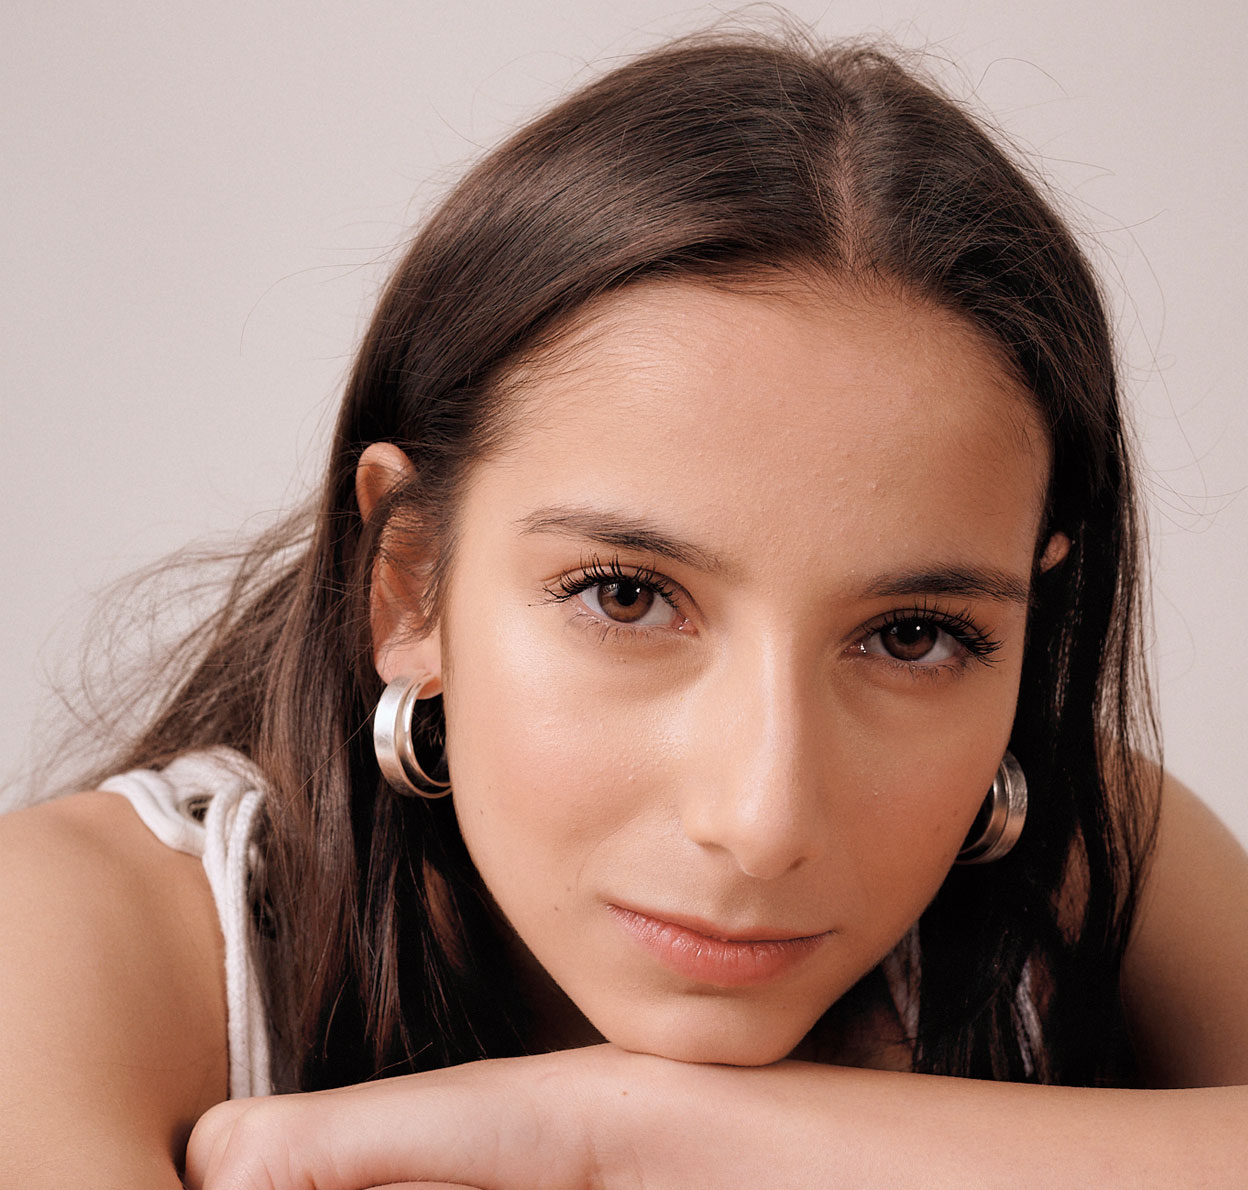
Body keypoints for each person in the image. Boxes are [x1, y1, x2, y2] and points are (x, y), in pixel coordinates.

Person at [3, 29, 1246, 1188]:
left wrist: (632, 1131)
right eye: (627, 595)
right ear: (410, 579)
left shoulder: (1087, 853)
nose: (761, 821)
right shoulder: (69, 933)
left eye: (912, 634)